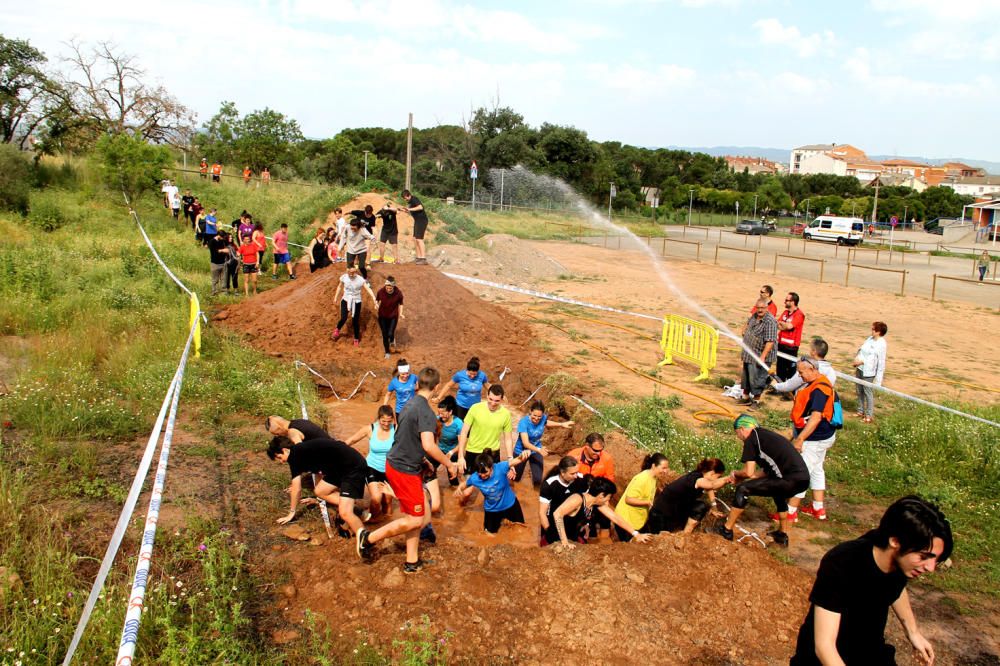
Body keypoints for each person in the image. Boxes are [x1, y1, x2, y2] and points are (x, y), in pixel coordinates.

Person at [790, 496, 953, 666]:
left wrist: (913, 632)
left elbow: (896, 589)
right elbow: (824, 647)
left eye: (935, 560)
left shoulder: (902, 564)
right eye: (924, 557)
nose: (930, 568)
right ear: (895, 541)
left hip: (871, 652)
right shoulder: (842, 563)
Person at [357, 367, 459, 573]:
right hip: (404, 470)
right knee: (415, 518)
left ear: (416, 384)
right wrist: (449, 464)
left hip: (403, 464)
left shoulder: (406, 406)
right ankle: (368, 538)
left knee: (423, 516)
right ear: (437, 387)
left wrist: (422, 460)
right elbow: (429, 445)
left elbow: (405, 438)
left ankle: (411, 562)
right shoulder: (427, 413)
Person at [715, 414, 809, 547]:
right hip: (803, 479)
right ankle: (782, 535)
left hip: (788, 480)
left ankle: (726, 529)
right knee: (778, 492)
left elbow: (748, 471)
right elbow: (765, 471)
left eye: (737, 434)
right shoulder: (766, 436)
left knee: (743, 489)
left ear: (741, 429)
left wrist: (736, 474)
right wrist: (747, 477)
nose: (739, 437)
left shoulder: (751, 439)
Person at [267, 435, 368, 537]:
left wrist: (291, 513)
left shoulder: (295, 457)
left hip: (352, 467)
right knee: (320, 491)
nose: (282, 461)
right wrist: (316, 499)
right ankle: (355, 509)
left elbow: (296, 489)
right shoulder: (299, 451)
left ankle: (366, 539)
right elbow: (318, 471)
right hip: (339, 467)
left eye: (280, 457)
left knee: (345, 512)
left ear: (285, 450)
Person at [781, 356, 837, 523]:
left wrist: (800, 439)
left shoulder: (820, 390)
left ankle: (790, 512)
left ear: (812, 369)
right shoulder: (816, 383)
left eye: (801, 372)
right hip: (823, 437)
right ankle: (818, 509)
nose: (800, 376)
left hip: (816, 439)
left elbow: (815, 418)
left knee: (801, 473)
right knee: (817, 469)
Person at [545, 476, 651, 549]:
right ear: (601, 495)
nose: (608, 501)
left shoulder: (596, 504)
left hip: (572, 540)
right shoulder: (577, 499)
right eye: (608, 497)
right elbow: (557, 514)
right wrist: (564, 542)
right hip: (554, 540)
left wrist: (636, 534)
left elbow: (615, 517)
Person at [646, 458, 732, 534]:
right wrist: (727, 479)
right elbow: (712, 485)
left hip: (674, 510)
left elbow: (709, 488)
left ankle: (685, 534)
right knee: (661, 540)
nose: (718, 478)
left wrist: (714, 507)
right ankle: (681, 535)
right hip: (660, 515)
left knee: (701, 506)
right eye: (719, 476)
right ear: (712, 473)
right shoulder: (697, 479)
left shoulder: (699, 475)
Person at [455, 450, 533, 534]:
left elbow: (518, 459)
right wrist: (459, 488)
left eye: (485, 472)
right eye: (480, 473)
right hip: (492, 510)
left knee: (521, 529)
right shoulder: (475, 478)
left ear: (491, 467)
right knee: (489, 535)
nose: (482, 475)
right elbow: (465, 484)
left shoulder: (500, 467)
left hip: (510, 505)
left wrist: (525, 453)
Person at [344, 405, 395, 521]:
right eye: (383, 421)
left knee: (388, 502)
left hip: (390, 469)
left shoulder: (396, 429)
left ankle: (386, 526)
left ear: (392, 419)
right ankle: (372, 521)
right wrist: (336, 449)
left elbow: (408, 444)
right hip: (372, 467)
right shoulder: (370, 429)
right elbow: (351, 440)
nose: (386, 424)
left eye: (389, 421)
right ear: (378, 419)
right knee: (376, 498)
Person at [456, 384, 513, 476]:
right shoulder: (475, 408)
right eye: (490, 399)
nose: (493, 403)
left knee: (492, 482)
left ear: (502, 399)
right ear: (487, 395)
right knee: (469, 480)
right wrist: (460, 456)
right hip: (473, 451)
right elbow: (464, 432)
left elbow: (508, 439)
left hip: (492, 453)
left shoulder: (506, 414)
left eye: (497, 401)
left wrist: (510, 458)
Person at [513, 400, 573, 486]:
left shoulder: (543, 418)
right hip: (521, 451)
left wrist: (561, 424)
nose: (536, 419)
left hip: (536, 450)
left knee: (538, 480)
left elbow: (546, 422)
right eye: (534, 416)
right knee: (515, 479)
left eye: (539, 416)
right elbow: (525, 443)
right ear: (530, 412)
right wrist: (539, 450)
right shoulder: (523, 422)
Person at [566, 433, 616, 537]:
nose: (598, 453)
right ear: (587, 446)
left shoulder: (607, 459)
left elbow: (609, 481)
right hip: (579, 498)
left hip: (598, 499)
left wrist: (606, 500)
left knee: (605, 522)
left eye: (600, 450)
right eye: (595, 450)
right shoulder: (573, 457)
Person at [613, 452, 671, 540]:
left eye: (667, 468)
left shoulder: (654, 477)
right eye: (663, 468)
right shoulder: (642, 479)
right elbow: (628, 499)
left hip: (637, 520)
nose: (666, 471)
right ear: (653, 466)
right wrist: (647, 502)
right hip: (625, 520)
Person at [738, 298, 777, 409]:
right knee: (746, 376)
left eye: (762, 308)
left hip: (760, 355)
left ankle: (756, 401)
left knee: (757, 379)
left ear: (767, 308)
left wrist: (762, 357)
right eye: (758, 308)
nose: (760, 310)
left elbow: (770, 342)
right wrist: (744, 329)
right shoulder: (754, 316)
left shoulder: (770, 321)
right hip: (749, 354)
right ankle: (745, 398)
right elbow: (747, 324)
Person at [538, 457, 586, 545]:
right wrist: (549, 532)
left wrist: (586, 523)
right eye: (572, 473)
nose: (576, 476)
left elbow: (587, 502)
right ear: (562, 473)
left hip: (573, 522)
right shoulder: (549, 485)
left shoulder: (581, 479)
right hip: (553, 522)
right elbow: (542, 513)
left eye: (577, 472)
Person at [770, 337, 836, 396]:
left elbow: (790, 386)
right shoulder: (831, 371)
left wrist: (775, 385)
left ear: (814, 352)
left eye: (811, 349)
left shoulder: (807, 368)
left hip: (805, 403)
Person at [332, 264, 377, 345]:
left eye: (354, 272)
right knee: (343, 318)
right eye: (350, 272)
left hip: (356, 301)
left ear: (356, 271)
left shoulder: (360, 279)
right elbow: (339, 287)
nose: (352, 274)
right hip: (346, 299)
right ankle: (337, 330)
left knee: (355, 320)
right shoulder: (344, 277)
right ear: (347, 271)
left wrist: (374, 298)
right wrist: (335, 297)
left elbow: (367, 288)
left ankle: (356, 338)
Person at [853, 321, 887, 424]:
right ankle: (860, 411)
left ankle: (869, 415)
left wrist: (878, 379)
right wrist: (857, 360)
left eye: (873, 329)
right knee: (859, 390)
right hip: (860, 368)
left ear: (878, 332)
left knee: (868, 393)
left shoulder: (882, 344)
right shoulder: (869, 339)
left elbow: (880, 361)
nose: (871, 331)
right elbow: (862, 351)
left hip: (869, 372)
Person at [776, 292, 805, 382]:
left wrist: (784, 325)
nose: (784, 302)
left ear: (793, 302)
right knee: (780, 368)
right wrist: (785, 325)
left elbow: (790, 326)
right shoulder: (785, 312)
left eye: (787, 300)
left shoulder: (799, 315)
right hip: (781, 344)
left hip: (791, 347)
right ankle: (779, 387)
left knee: (790, 370)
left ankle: (790, 392)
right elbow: (777, 324)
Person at [435, 396, 462, 487]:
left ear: (450, 412)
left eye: (442, 413)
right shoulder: (437, 419)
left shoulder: (458, 424)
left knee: (453, 480)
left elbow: (462, 444)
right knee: (428, 470)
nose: (440, 415)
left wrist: (451, 452)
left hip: (453, 452)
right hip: (440, 450)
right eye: (439, 413)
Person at [375, 276, 404, 359]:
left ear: (393, 286)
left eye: (390, 288)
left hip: (393, 316)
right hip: (382, 316)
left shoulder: (398, 293)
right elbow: (377, 300)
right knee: (384, 334)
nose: (388, 289)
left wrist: (401, 313)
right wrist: (376, 304)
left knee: (390, 333)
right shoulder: (381, 291)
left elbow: (401, 304)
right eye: (387, 287)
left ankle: (392, 339)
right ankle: (387, 352)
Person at [401, 189, 429, 264]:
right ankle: (419, 257)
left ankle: (423, 259)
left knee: (419, 239)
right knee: (415, 239)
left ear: (408, 195)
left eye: (405, 197)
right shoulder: (410, 202)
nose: (405, 199)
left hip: (422, 220)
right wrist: (405, 210)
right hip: (417, 221)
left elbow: (420, 207)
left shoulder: (414, 199)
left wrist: (409, 209)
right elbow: (413, 210)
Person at [207, 229, 230, 296]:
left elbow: (228, 249)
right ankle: (214, 292)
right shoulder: (212, 242)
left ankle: (224, 291)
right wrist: (223, 250)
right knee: (215, 279)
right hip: (215, 263)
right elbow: (216, 251)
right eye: (222, 237)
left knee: (224, 278)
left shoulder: (222, 241)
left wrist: (222, 250)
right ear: (218, 235)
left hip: (223, 262)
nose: (223, 238)